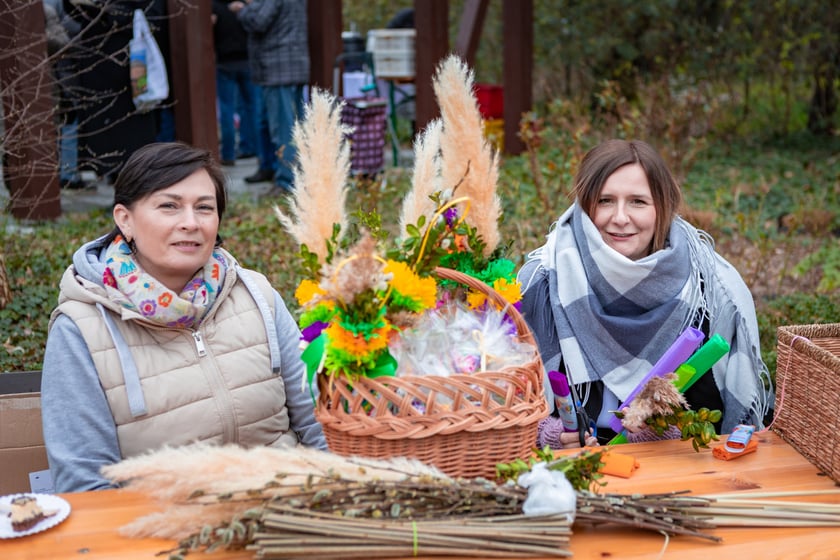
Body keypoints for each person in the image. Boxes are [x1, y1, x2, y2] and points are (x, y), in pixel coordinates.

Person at [41, 142, 327, 492]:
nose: (190, 223)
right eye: (169, 206)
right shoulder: (80, 329)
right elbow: (84, 483)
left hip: (289, 511)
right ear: (125, 220)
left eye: (204, 208)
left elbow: (318, 423)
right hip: (162, 532)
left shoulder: (257, 293)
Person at [518, 139, 771, 448]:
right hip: (571, 470)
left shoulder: (712, 286)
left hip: (681, 469)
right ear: (584, 206)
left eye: (638, 201)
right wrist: (551, 434)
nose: (620, 217)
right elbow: (513, 398)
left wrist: (670, 433)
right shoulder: (543, 280)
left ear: (661, 206)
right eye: (605, 200)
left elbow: (725, 415)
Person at [62, 0, 162, 182]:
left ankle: (131, 189)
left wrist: (103, 11)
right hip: (100, 75)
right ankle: (118, 185)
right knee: (106, 144)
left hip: (130, 75)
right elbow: (77, 16)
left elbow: (150, 18)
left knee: (133, 144)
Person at [231, 0, 309, 194]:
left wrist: (243, 10)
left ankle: (287, 181)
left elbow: (258, 21)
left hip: (278, 68)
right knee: (289, 124)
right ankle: (277, 170)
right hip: (293, 64)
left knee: (283, 128)